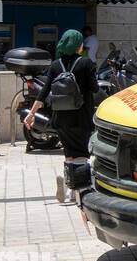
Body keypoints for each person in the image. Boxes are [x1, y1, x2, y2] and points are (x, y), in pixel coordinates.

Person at [25, 29, 97, 197]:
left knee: (69, 153)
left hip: (61, 119)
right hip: (81, 117)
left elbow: (44, 92)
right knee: (81, 154)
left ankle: (66, 184)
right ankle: (77, 191)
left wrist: (31, 114)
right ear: (78, 45)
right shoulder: (86, 63)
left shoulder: (56, 65)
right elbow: (94, 88)